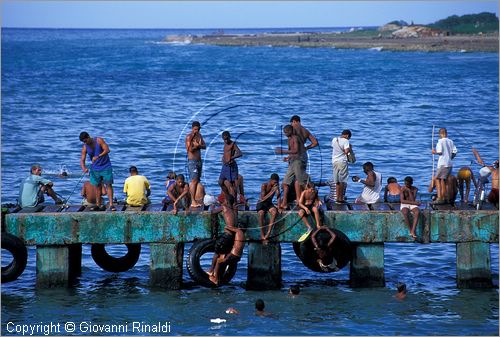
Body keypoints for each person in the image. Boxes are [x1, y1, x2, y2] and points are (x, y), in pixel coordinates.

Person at [209, 193, 245, 286]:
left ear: (226, 201)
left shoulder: (224, 207)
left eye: (224, 200)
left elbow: (213, 212)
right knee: (222, 255)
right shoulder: (235, 210)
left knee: (217, 252)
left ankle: (211, 271)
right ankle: (218, 276)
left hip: (227, 235)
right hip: (232, 237)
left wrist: (212, 206)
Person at [79, 131, 116, 211]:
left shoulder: (99, 140)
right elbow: (82, 159)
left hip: (106, 166)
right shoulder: (85, 147)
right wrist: (84, 168)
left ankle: (111, 205)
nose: (85, 143)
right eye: (83, 142)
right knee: (97, 186)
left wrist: (98, 156)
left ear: (88, 137)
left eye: (85, 141)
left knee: (108, 185)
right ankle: (98, 205)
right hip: (95, 169)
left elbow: (107, 150)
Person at [275, 125, 306, 209]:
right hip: (292, 162)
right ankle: (284, 203)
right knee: (285, 183)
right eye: (284, 132)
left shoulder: (295, 138)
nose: (285, 134)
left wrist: (282, 151)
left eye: (286, 132)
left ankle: (313, 199)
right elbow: (292, 152)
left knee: (301, 181)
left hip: (298, 162)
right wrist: (288, 157)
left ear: (291, 131)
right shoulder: (289, 139)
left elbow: (296, 150)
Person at [431, 128, 457, 204]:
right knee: (444, 180)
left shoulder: (440, 141)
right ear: (446, 133)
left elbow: (439, 152)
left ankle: (440, 198)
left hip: (442, 164)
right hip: (449, 164)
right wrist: (450, 157)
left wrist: (434, 152)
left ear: (440, 134)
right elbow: (455, 152)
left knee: (437, 179)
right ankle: (445, 197)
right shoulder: (451, 141)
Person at [185, 121, 206, 206]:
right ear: (192, 128)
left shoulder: (199, 136)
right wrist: (196, 146)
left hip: (199, 161)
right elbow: (189, 150)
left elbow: (204, 146)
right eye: (195, 129)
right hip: (192, 162)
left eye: (198, 129)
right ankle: (193, 201)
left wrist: (199, 146)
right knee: (193, 181)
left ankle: (196, 199)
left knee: (197, 181)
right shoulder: (189, 137)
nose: (196, 131)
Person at [256, 173, 281, 243]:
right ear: (271, 180)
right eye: (275, 182)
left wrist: (279, 207)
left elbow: (278, 197)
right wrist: (272, 191)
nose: (276, 184)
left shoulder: (276, 186)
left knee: (274, 212)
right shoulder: (264, 185)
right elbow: (262, 199)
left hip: (269, 203)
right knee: (261, 214)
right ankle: (262, 234)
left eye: (277, 182)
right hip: (261, 203)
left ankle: (268, 233)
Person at [218, 131, 242, 202]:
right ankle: (227, 196)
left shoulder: (233, 144)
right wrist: (223, 157)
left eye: (227, 139)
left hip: (231, 166)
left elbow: (240, 153)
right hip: (225, 166)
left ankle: (233, 202)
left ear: (229, 137)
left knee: (232, 185)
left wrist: (231, 157)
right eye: (224, 139)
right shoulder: (225, 143)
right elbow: (226, 152)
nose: (225, 140)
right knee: (220, 182)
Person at [331, 129, 353, 204]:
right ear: (347, 135)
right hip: (342, 162)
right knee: (342, 180)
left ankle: (337, 198)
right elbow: (346, 151)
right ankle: (341, 198)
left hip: (334, 161)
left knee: (337, 181)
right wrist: (350, 147)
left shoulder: (334, 139)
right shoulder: (346, 141)